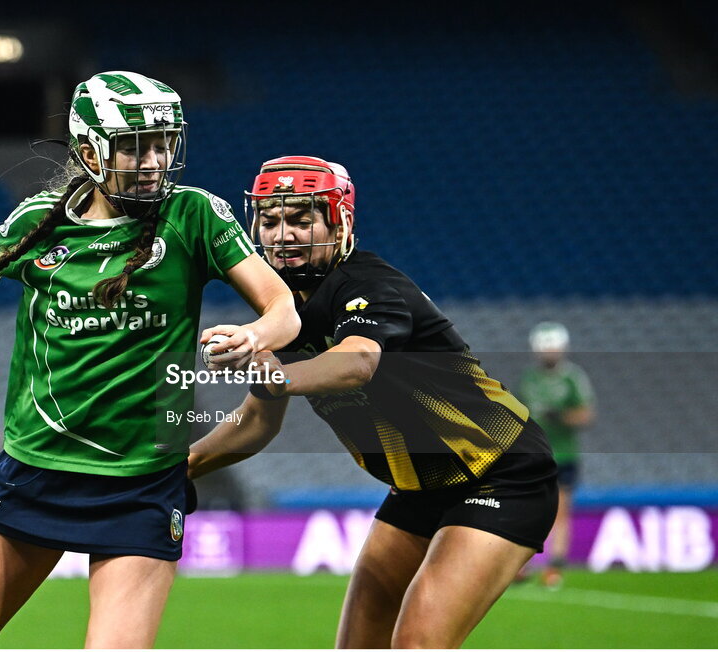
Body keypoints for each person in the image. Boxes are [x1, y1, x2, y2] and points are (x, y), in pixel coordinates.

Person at [0, 71, 299, 649]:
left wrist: (257, 333)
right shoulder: (39, 219)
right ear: (88, 152)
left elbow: (284, 306)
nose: (153, 160)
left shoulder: (195, 215)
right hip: (34, 472)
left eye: (162, 144)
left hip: (140, 485)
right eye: (134, 146)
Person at [188, 156, 559, 649]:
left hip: (501, 472)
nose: (282, 234)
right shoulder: (283, 309)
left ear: (338, 222)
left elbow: (357, 362)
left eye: (301, 219)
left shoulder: (368, 285)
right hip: (420, 486)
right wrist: (176, 468)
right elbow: (257, 423)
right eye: (271, 219)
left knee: (417, 643)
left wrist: (279, 376)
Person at [518, 321, 595, 589]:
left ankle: (554, 567)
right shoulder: (529, 379)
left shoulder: (572, 378)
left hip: (563, 456)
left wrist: (561, 417)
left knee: (559, 514)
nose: (549, 353)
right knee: (526, 510)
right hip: (534, 455)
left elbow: (586, 414)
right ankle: (519, 565)